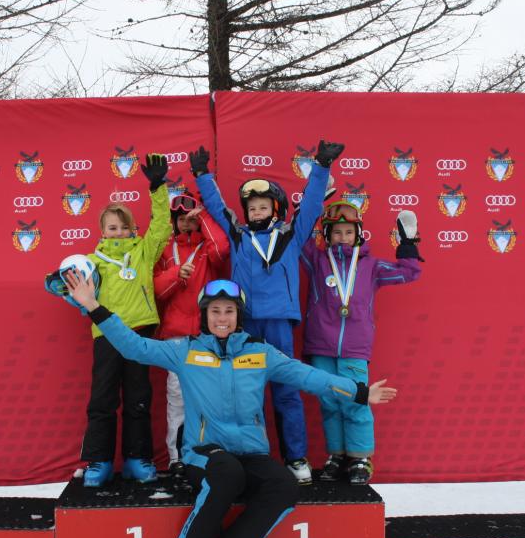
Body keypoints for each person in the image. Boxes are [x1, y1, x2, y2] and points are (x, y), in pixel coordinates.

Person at [63, 273, 396, 538]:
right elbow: (135, 347)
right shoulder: (185, 351)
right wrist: (93, 305)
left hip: (250, 452)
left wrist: (359, 392)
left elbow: (307, 377)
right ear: (204, 315)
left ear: (238, 317)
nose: (222, 318)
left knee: (283, 485)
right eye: (215, 311)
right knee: (226, 471)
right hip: (204, 454)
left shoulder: (260, 353)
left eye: (229, 311)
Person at [190, 139, 345, 483]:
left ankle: (296, 457)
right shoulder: (238, 235)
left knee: (286, 391)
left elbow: (312, 205)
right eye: (252, 208)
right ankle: (254, 455)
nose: (256, 212)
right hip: (244, 325)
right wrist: (202, 175)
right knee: (247, 394)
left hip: (278, 323)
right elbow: (217, 207)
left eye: (263, 206)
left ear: (275, 209)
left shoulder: (290, 235)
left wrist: (321, 167)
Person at [46, 153, 172, 488]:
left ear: (133, 228)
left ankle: (137, 459)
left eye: (124, 226)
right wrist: (60, 284)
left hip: (140, 334)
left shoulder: (143, 251)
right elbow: (69, 284)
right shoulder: (91, 260)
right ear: (102, 231)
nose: (119, 232)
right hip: (106, 334)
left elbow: (162, 226)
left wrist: (157, 188)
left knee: (138, 399)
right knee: (102, 399)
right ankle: (99, 461)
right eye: (112, 227)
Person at [300, 200, 423, 484]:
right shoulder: (317, 261)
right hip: (320, 345)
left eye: (348, 232)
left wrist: (408, 242)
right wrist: (316, 199)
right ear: (327, 234)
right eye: (336, 232)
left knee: (355, 401)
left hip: (354, 348)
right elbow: (299, 238)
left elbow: (409, 272)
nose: (343, 237)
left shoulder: (371, 266)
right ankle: (337, 455)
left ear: (358, 234)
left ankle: (360, 458)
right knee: (330, 403)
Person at [153, 190, 230, 474]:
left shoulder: (207, 249)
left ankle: (206, 454)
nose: (186, 223)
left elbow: (222, 249)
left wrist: (205, 216)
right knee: (177, 397)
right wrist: (175, 274)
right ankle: (177, 458)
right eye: (182, 219)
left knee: (208, 396)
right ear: (174, 221)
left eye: (192, 219)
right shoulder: (165, 250)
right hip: (175, 335)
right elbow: (157, 291)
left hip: (205, 334)